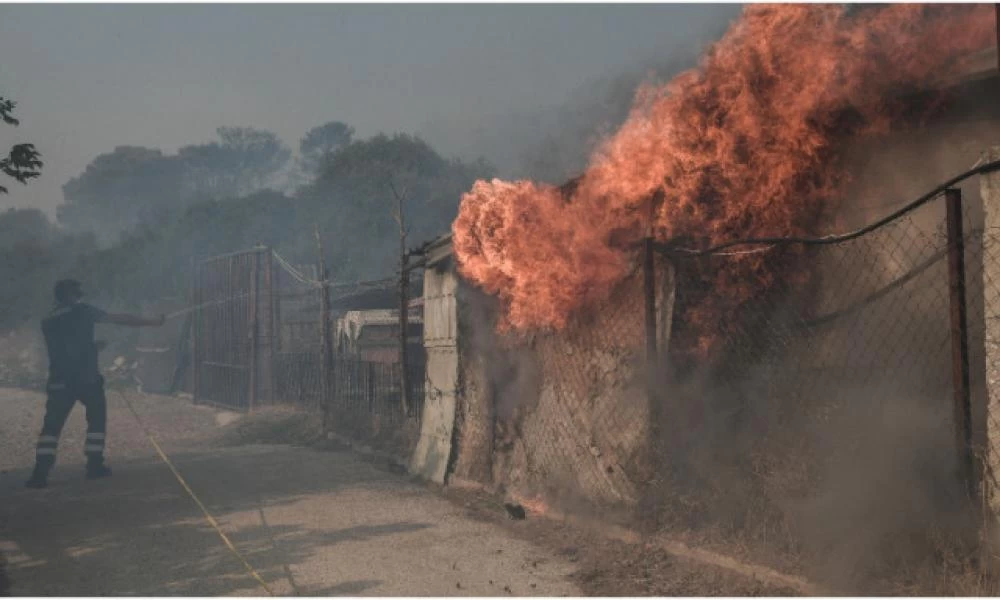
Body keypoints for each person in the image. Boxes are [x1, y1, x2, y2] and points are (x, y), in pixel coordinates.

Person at [25, 279, 165, 489]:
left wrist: (92, 347)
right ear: (70, 294)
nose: (80, 295)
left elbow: (66, 347)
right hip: (86, 378)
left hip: (59, 379)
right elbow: (119, 319)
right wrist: (152, 322)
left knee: (51, 427)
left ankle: (40, 473)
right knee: (97, 420)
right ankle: (94, 465)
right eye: (77, 292)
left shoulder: (48, 320)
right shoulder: (83, 311)